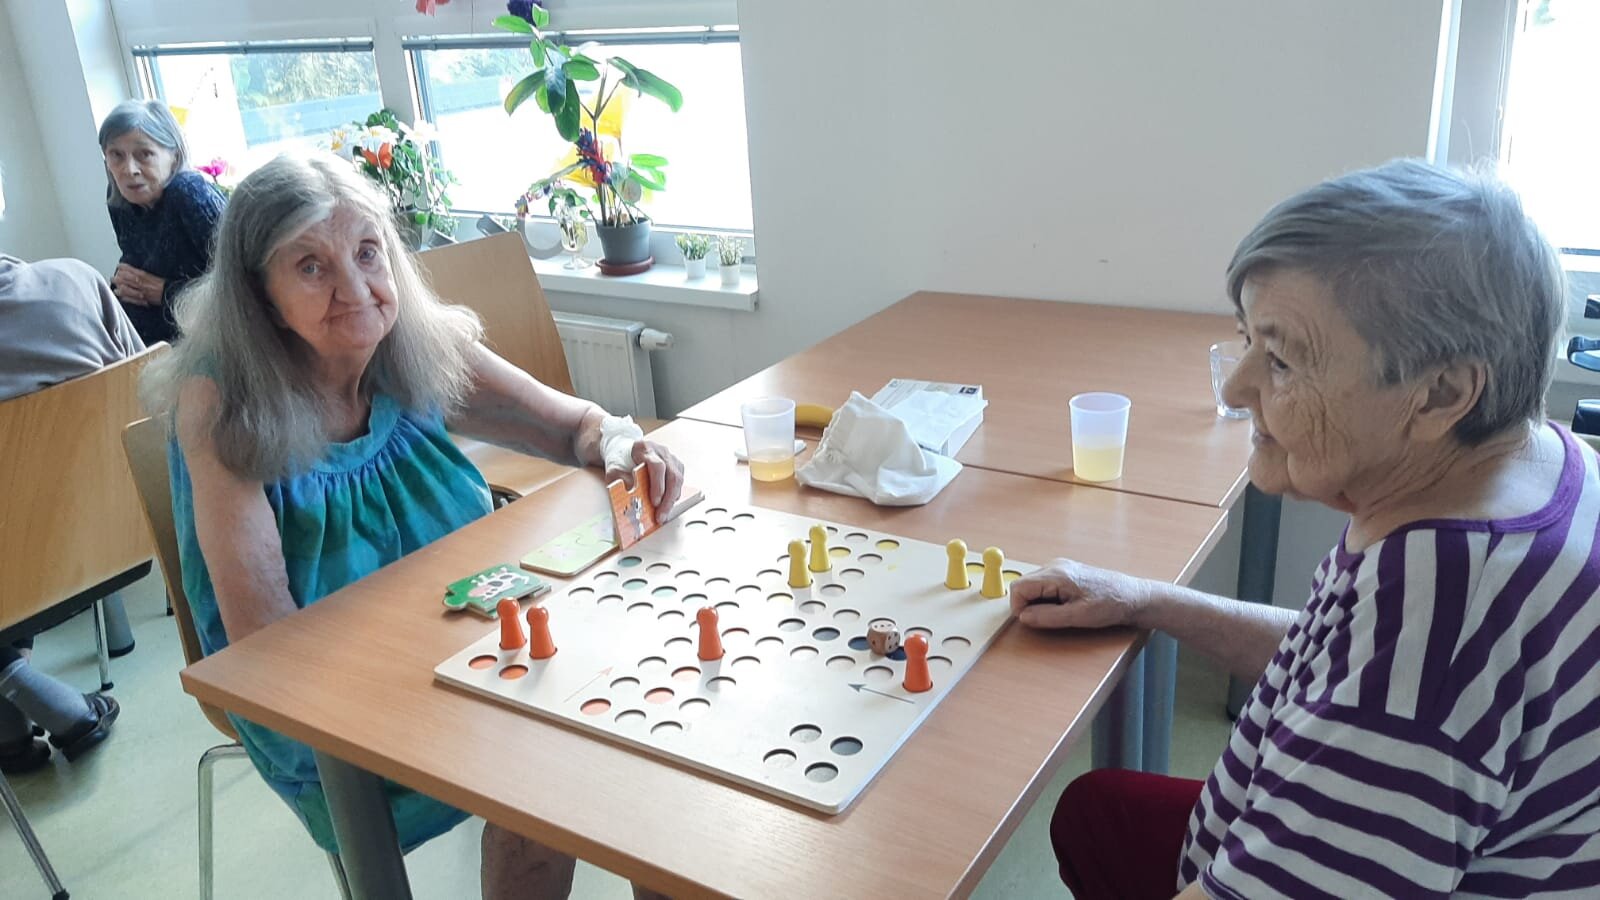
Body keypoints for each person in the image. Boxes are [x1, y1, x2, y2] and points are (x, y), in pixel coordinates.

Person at [1015, 160, 1598, 898]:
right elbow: (1340, 658)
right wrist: (1149, 600)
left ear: (1441, 392)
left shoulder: (1438, 628)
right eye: (1246, 339)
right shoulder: (1538, 460)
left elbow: (1397, 687)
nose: (1237, 387)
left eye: (1283, 360)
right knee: (1098, 813)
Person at [141, 151, 685, 898]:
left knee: (644, 723)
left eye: (368, 252)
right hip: (323, 701)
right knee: (567, 758)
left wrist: (625, 446)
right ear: (258, 294)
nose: (356, 289)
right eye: (311, 266)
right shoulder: (222, 401)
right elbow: (268, 643)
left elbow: (575, 427)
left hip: (473, 638)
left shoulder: (410, 344)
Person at [0, 165, 130, 772]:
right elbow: (150, 400)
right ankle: (13, 730)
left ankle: (40, 698)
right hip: (110, 540)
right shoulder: (77, 281)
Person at [99, 99, 226, 345]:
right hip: (149, 346)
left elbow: (243, 284)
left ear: (174, 156)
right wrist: (122, 286)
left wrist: (165, 292)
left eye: (144, 154)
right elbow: (136, 267)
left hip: (206, 342)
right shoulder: (120, 200)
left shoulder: (189, 194)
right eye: (116, 155)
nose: (129, 169)